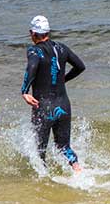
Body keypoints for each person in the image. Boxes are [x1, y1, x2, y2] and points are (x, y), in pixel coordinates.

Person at [21, 15, 86, 172]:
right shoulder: (62, 48)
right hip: (63, 105)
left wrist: (24, 91)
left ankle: (44, 179)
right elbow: (80, 66)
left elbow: (32, 67)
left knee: (40, 149)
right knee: (64, 146)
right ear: (48, 32)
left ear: (33, 33)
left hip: (43, 107)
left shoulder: (34, 50)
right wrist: (63, 79)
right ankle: (78, 170)